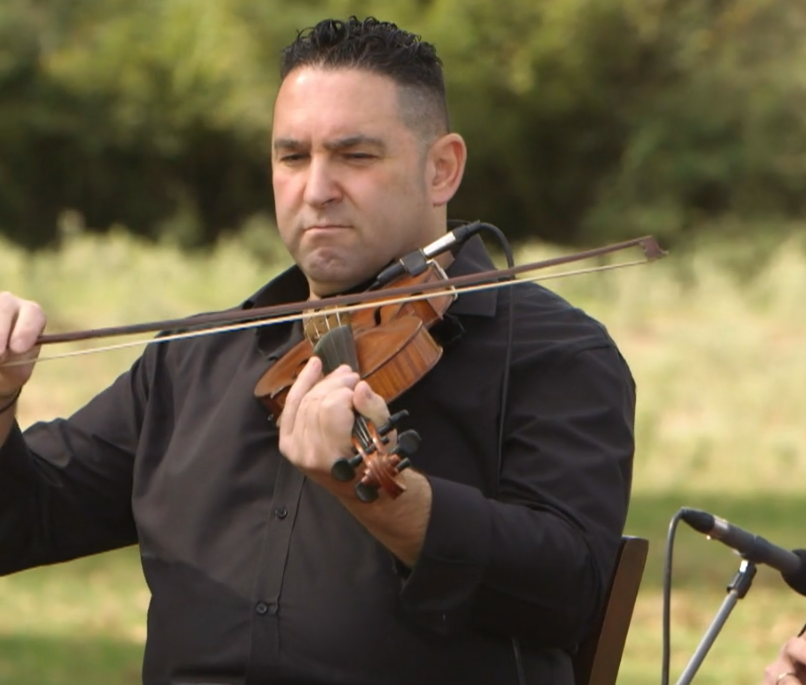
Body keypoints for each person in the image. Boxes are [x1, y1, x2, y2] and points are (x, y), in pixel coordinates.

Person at [0, 16, 636, 685]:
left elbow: (569, 589)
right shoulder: (191, 359)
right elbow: (23, 520)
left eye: (355, 156)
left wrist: (382, 498)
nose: (317, 189)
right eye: (293, 157)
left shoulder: (553, 353)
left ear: (441, 169)